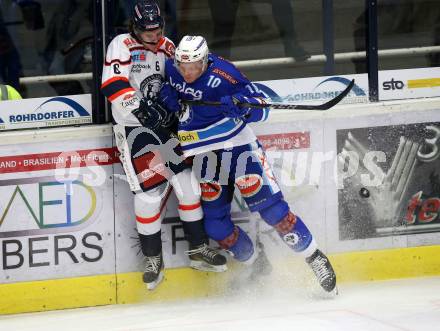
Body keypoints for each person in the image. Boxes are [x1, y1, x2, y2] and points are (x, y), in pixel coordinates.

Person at [158, 35, 337, 293]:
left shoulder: (226, 74)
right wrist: (167, 96)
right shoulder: (171, 71)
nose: (187, 72)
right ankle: (257, 264)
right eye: (183, 66)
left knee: (275, 213)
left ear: (205, 60)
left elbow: (263, 107)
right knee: (216, 226)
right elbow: (164, 91)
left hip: (238, 149)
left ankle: (314, 257)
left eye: (193, 66)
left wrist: (244, 107)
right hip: (203, 155)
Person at [101, 1, 226, 291]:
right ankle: (153, 259)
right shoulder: (122, 44)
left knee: (188, 185)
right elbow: (112, 83)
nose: (153, 35)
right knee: (149, 194)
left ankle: (197, 249)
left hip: (165, 128)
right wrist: (142, 108)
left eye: (157, 29)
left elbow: (191, 73)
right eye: (147, 30)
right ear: (135, 27)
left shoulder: (169, 46)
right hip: (135, 131)